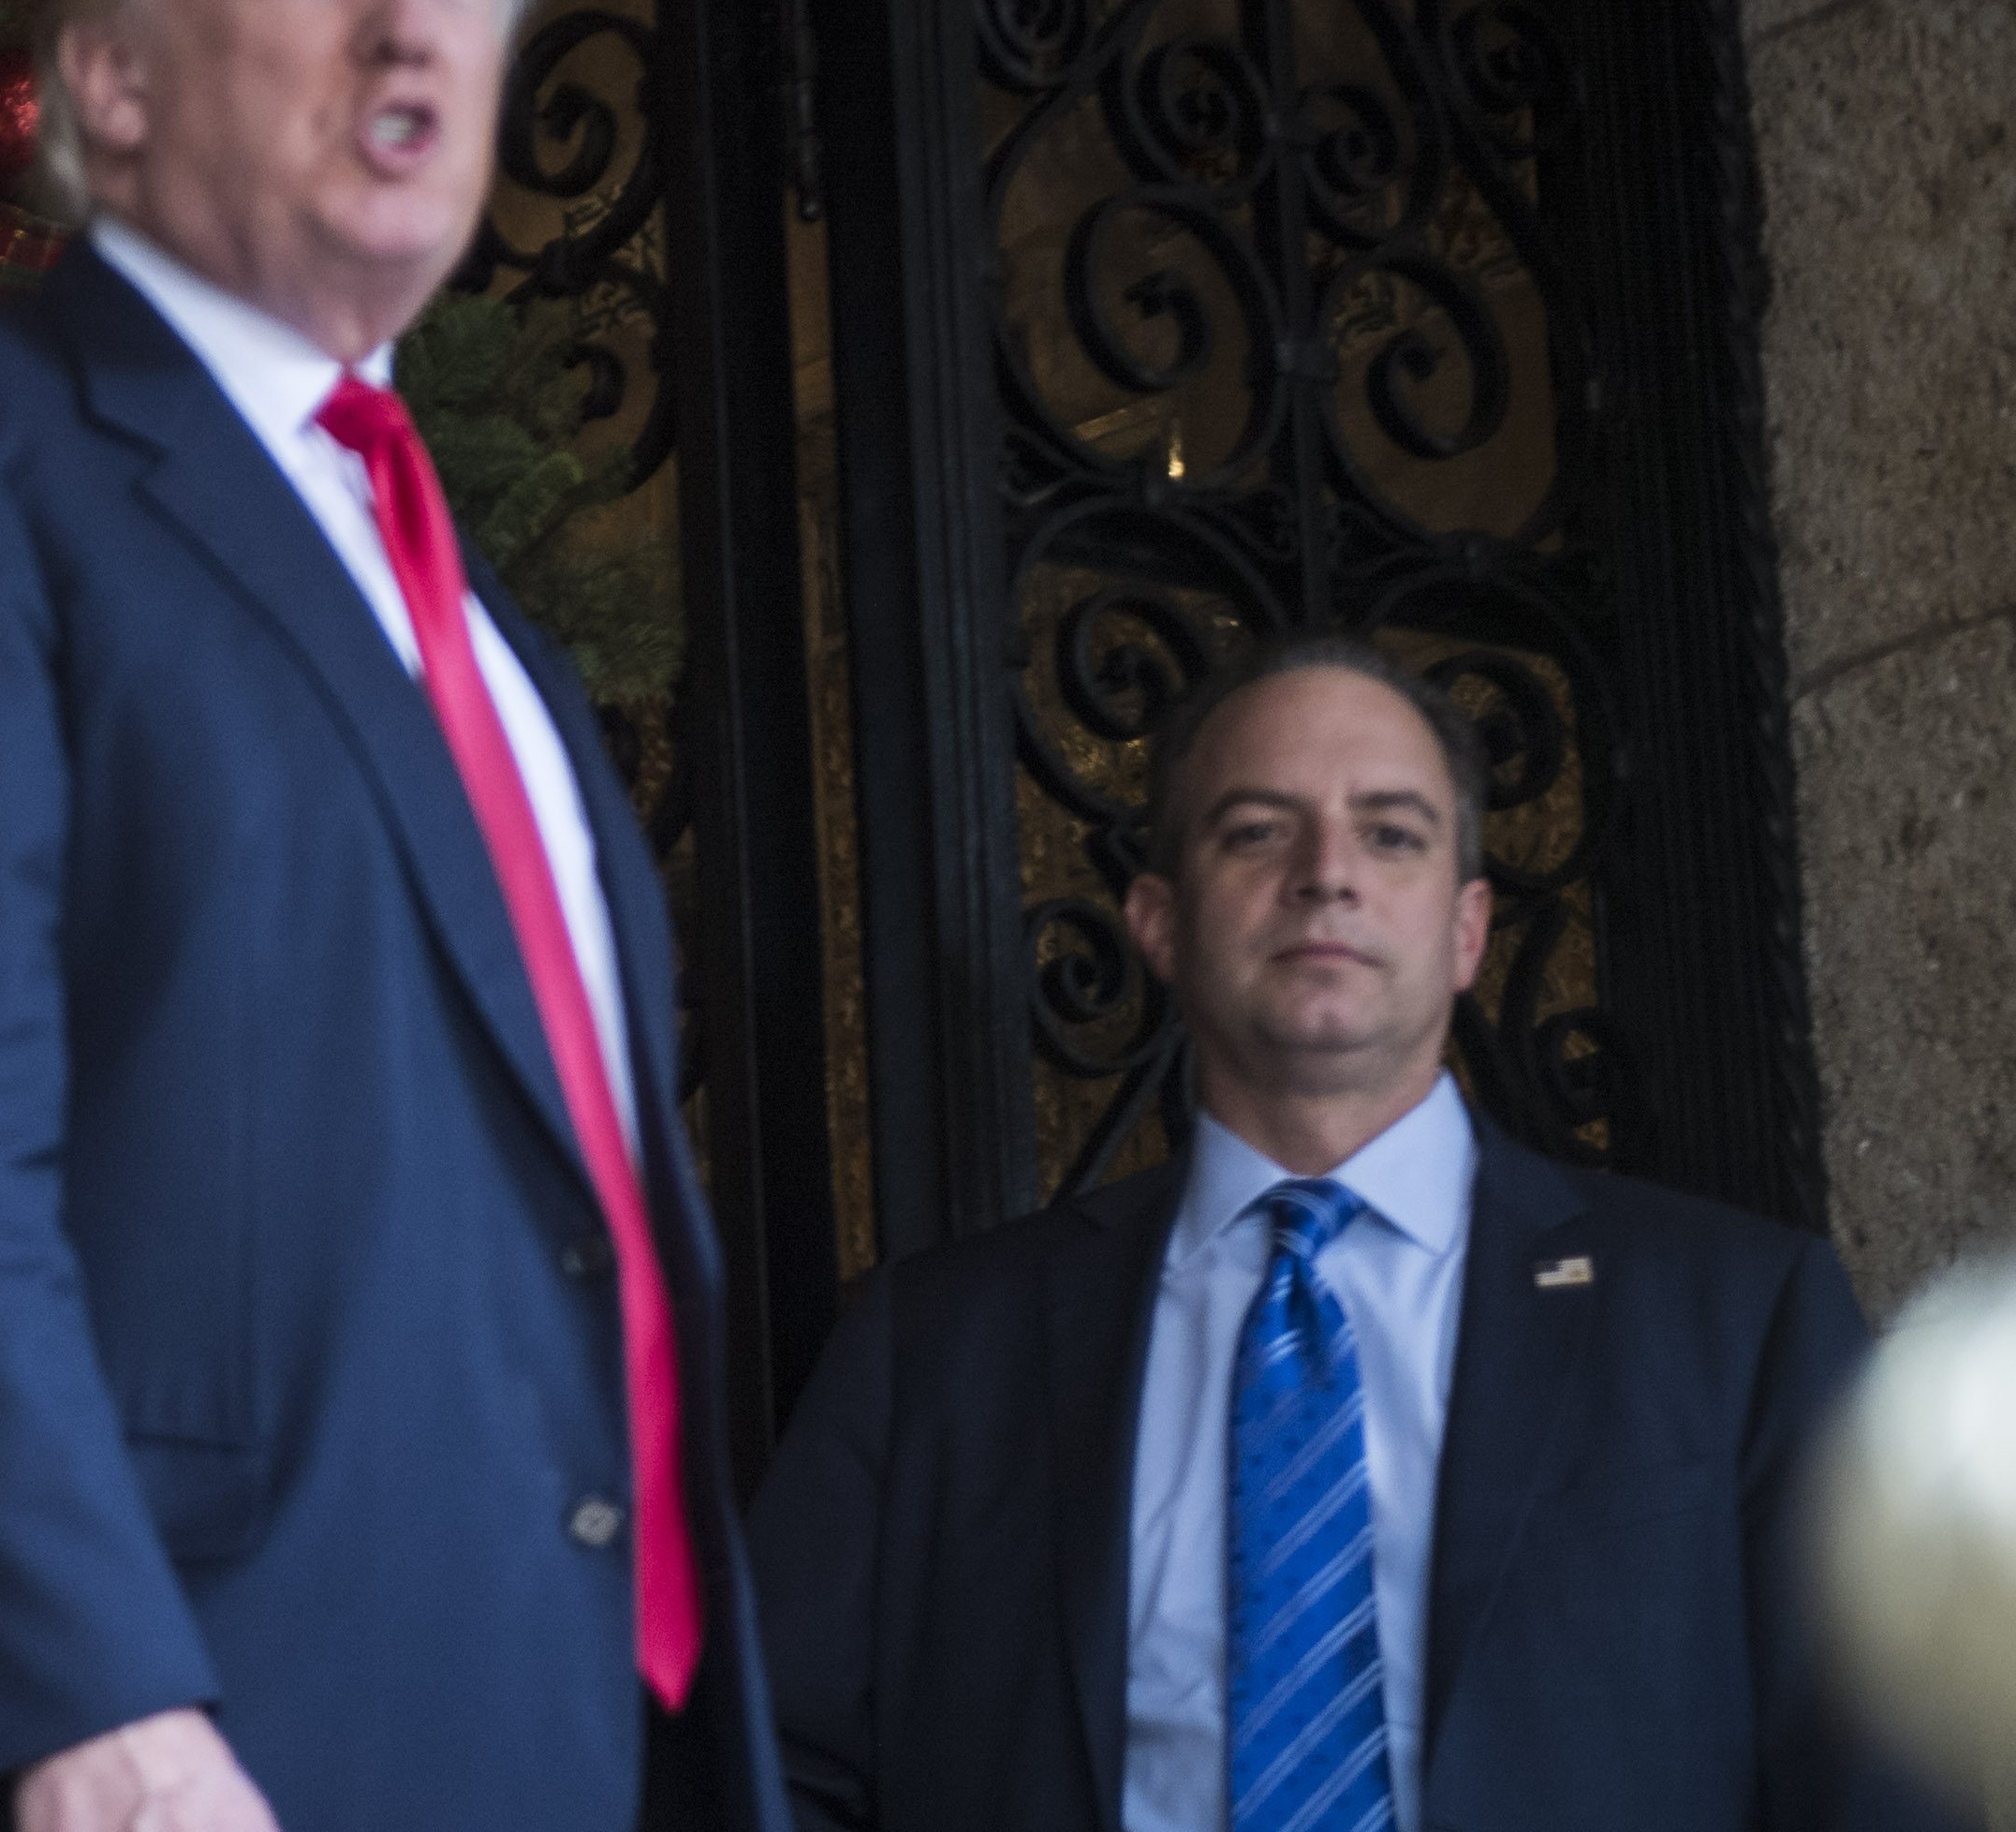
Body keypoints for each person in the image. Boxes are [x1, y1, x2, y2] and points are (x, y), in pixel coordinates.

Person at [0, 0, 787, 1832]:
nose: (412, 23)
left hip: (555, 1739)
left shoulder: (476, 619)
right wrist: (78, 1695)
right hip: (170, 1739)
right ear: (110, 80)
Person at [746, 634, 1961, 1832]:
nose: (1326, 873)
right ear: (1157, 920)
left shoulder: (1738, 1318)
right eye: (1254, 830)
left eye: (1390, 834)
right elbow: (769, 1768)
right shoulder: (932, 1348)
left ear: (1468, 928)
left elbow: (1885, 1777)